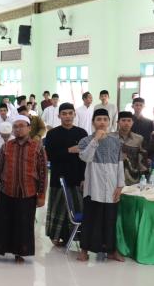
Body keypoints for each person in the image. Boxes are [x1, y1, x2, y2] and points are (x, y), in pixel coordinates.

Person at [0, 116, 47, 264]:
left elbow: (43, 172)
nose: (18, 129)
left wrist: (42, 194)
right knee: (1, 223)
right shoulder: (6, 146)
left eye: (22, 126)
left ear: (29, 128)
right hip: (7, 191)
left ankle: (20, 253)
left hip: (28, 192)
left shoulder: (37, 147)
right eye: (16, 126)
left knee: (23, 225)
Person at [77, 109, 125, 262]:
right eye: (99, 119)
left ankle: (111, 251)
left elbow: (119, 164)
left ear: (109, 122)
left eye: (105, 119)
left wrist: (119, 186)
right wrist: (95, 140)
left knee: (110, 220)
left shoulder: (116, 142)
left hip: (111, 187)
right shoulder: (85, 140)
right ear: (93, 122)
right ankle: (84, 250)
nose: (102, 122)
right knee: (90, 219)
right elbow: (85, 157)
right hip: (93, 188)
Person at [43, 103, 87, 247]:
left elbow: (85, 158)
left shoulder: (82, 133)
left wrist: (83, 178)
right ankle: (55, 236)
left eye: (70, 113)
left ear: (74, 114)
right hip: (59, 177)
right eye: (64, 113)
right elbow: (50, 156)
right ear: (59, 116)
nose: (67, 116)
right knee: (58, 208)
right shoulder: (52, 134)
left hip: (76, 177)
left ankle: (73, 236)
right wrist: (69, 150)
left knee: (76, 207)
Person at [115, 111, 149, 185]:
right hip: (114, 178)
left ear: (132, 122)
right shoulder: (110, 138)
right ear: (118, 122)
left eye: (129, 121)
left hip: (133, 179)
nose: (126, 123)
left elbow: (142, 160)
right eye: (123, 120)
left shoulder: (139, 139)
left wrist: (144, 177)